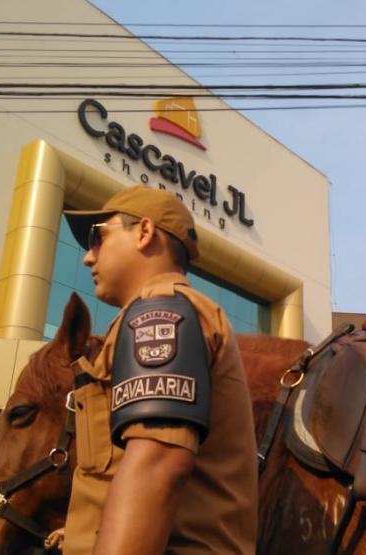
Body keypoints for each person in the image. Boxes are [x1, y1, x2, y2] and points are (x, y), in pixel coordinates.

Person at [44, 186, 258, 554]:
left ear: (144, 233)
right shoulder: (149, 315)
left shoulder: (160, 313)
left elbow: (157, 466)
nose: (87, 258)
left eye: (99, 237)